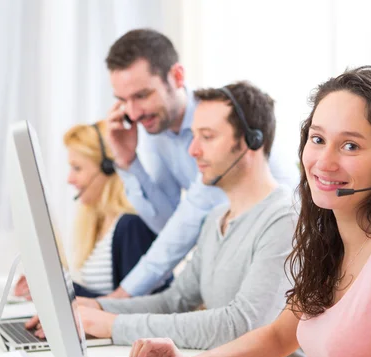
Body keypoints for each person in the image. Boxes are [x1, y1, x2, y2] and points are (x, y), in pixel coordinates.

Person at [128, 67, 371, 357]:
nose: (324, 161)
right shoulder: (330, 238)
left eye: (350, 146)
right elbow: (278, 337)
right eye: (318, 139)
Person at [27, 81, 320, 357]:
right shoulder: (214, 220)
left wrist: (114, 326)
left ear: (252, 141)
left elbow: (241, 324)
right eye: (193, 136)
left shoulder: (285, 219)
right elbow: (176, 300)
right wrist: (98, 309)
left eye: (207, 137)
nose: (193, 150)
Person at [102, 28, 299, 297]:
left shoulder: (221, 123)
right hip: (233, 255)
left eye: (142, 95)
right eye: (123, 101)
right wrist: (128, 163)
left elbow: (187, 221)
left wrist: (114, 300)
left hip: (287, 254)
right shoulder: (156, 131)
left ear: (177, 77)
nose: (133, 113)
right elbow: (167, 225)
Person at [14, 121, 169, 298]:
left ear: (108, 168)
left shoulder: (132, 225)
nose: (70, 179)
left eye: (77, 168)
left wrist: (59, 287)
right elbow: (106, 299)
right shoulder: (100, 222)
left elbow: (129, 308)